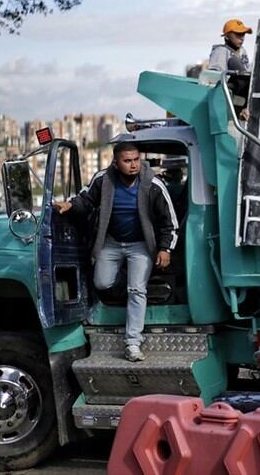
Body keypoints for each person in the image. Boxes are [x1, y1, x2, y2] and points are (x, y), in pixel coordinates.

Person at [53, 142, 178, 362]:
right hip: (111, 242)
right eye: (127, 161)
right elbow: (86, 199)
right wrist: (70, 206)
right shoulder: (104, 179)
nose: (133, 165)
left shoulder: (153, 184)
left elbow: (170, 222)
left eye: (136, 160)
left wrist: (164, 248)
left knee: (137, 289)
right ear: (116, 163)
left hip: (141, 245)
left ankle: (132, 342)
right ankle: (125, 280)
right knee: (101, 282)